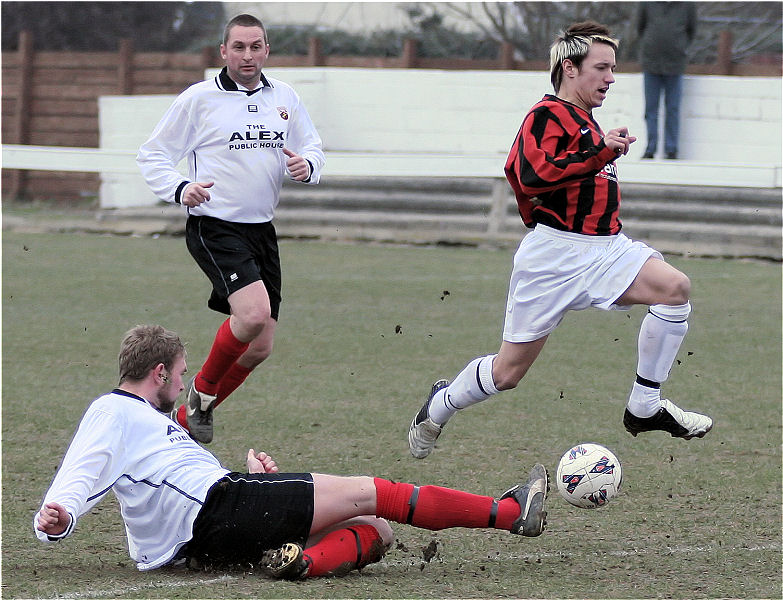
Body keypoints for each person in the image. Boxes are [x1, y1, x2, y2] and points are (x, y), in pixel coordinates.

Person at [408, 20, 713, 460]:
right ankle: (440, 405)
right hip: (554, 256)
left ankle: (644, 406)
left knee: (674, 289)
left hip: (606, 248)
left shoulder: (589, 122)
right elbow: (530, 175)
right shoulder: (545, 115)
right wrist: (601, 152)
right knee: (507, 372)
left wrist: (600, 148)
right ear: (570, 68)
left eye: (613, 68)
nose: (611, 78)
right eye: (602, 67)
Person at [34, 325, 549, 579]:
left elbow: (173, 479)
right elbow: (84, 465)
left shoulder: (151, 426)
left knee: (379, 531)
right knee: (378, 492)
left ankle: (301, 562)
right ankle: (510, 513)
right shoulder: (115, 409)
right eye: (183, 370)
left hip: (204, 534)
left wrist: (253, 477)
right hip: (219, 510)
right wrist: (60, 514)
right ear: (160, 373)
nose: (186, 380)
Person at [136, 14, 325, 444]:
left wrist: (307, 164)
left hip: (263, 230)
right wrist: (180, 187)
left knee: (260, 346)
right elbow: (153, 154)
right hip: (215, 225)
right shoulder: (199, 99)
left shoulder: (285, 98)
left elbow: (312, 145)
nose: (247, 55)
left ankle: (185, 418)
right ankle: (201, 393)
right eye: (238, 47)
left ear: (266, 50)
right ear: (223, 51)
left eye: (255, 46)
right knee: (253, 314)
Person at [637, 2, 698, 159]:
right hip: (651, 63)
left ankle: (671, 149)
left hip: (675, 65)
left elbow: (692, 31)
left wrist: (679, 48)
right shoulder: (646, 4)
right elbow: (640, 27)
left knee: (673, 109)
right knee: (651, 109)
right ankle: (651, 148)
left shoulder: (687, 6)